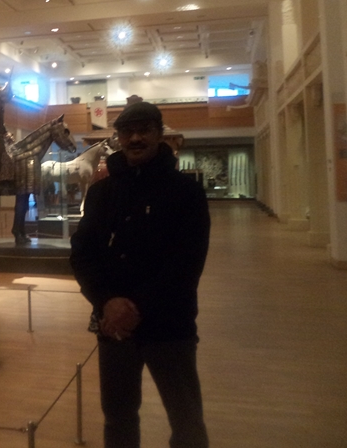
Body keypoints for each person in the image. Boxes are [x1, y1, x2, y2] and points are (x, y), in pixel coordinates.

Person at [70, 100, 210, 448]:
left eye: (144, 130)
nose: (135, 138)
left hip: (169, 326)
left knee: (186, 419)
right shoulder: (101, 192)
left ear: (159, 134)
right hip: (114, 328)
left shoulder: (186, 192)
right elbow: (83, 253)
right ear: (118, 137)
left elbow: (186, 263)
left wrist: (133, 308)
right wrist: (106, 301)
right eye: (127, 132)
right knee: (118, 417)